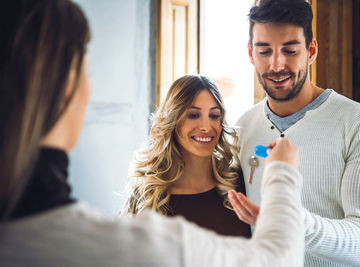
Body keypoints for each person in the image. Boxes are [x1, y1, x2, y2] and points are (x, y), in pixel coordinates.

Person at [0, 0, 305, 266]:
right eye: (86, 70)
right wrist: (282, 172)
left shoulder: (235, 185)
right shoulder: (139, 241)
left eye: (214, 115)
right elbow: (278, 260)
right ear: (68, 86)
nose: (206, 126)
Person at [229, 0, 360, 266]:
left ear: (311, 50)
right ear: (250, 53)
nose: (276, 64)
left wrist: (289, 219)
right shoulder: (243, 127)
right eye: (264, 51)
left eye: (290, 51)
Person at [121, 75, 250, 237]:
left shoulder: (239, 183)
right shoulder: (148, 194)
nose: (206, 127)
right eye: (193, 115)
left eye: (214, 115)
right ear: (173, 120)